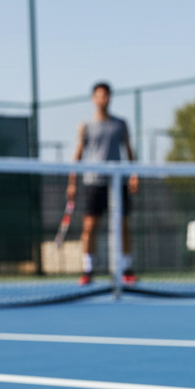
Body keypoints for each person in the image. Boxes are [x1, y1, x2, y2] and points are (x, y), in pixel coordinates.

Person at [67, 82, 139, 286]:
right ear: (93, 99)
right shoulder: (86, 126)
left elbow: (128, 150)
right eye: (99, 96)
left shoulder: (120, 124)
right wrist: (72, 181)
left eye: (106, 96)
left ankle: (126, 268)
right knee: (89, 226)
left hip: (117, 182)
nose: (102, 99)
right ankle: (87, 269)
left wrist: (134, 174)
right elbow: (78, 154)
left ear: (109, 98)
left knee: (123, 224)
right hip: (93, 182)